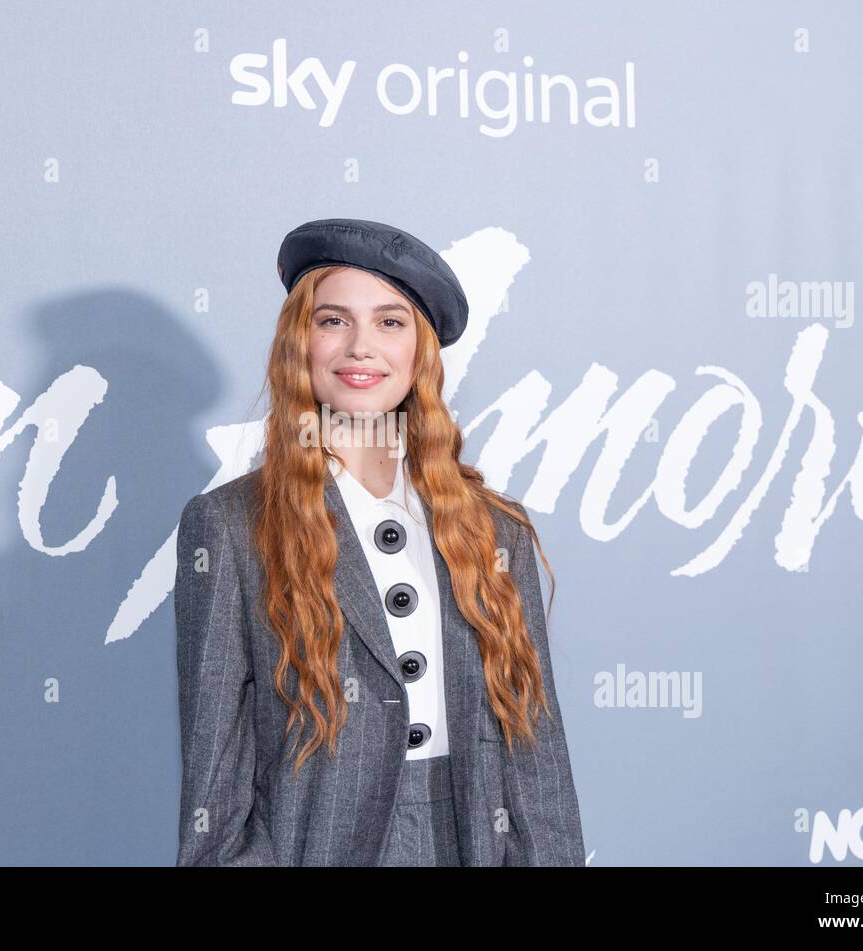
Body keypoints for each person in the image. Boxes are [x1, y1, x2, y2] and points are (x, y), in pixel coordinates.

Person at [174, 218, 585, 866]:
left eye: (390, 322)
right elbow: (214, 791)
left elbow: (539, 768)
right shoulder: (228, 528)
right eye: (333, 320)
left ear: (420, 352)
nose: (361, 346)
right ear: (298, 343)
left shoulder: (495, 531)